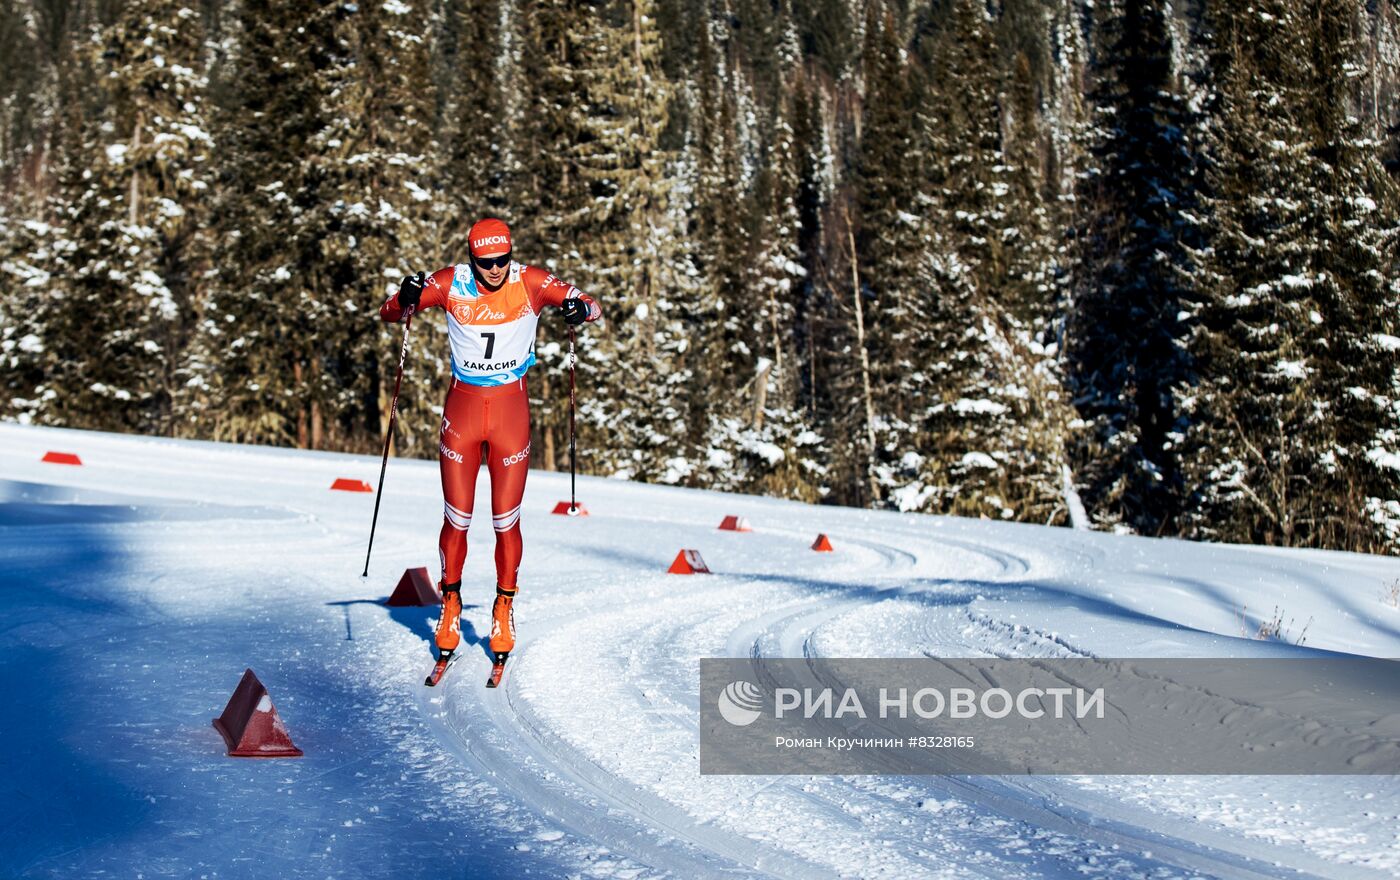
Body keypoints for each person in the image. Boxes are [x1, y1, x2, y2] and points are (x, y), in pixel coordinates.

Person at [380, 218, 600, 683]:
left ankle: (504, 606)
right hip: (461, 410)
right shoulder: (449, 282)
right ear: (472, 257)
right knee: (456, 517)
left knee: (505, 520)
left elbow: (590, 306)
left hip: (509, 412)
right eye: (486, 262)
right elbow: (390, 312)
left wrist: (579, 309)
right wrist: (404, 296)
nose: (496, 269)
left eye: (502, 259)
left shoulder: (531, 282)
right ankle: (451, 604)